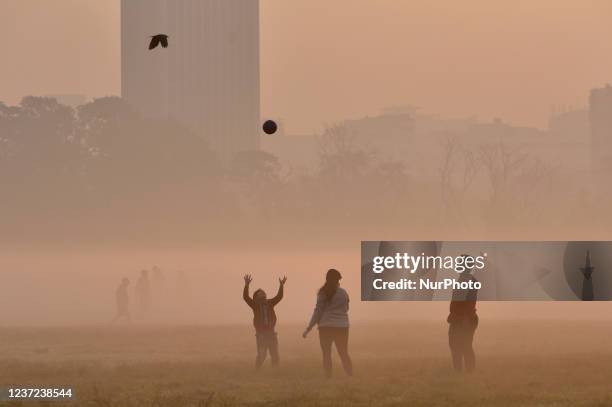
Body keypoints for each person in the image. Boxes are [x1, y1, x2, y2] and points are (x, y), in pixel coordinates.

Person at [303, 269, 353, 378]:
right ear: (338, 279)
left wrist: (309, 328)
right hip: (342, 326)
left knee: (326, 354)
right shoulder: (344, 293)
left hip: (326, 327)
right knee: (343, 352)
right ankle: (350, 376)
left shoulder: (322, 292)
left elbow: (318, 311)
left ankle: (328, 377)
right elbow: (346, 308)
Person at [243, 274, 287, 369]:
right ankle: (256, 371)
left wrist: (281, 285)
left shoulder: (270, 302)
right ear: (256, 297)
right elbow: (246, 297)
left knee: (275, 355)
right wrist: (246, 285)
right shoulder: (254, 304)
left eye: (263, 292)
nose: (263, 293)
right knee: (262, 355)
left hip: (271, 332)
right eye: (260, 293)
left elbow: (279, 296)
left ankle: (275, 372)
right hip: (261, 334)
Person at [447, 255, 480, 373]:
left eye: (459, 263)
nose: (457, 265)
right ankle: (461, 373)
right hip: (460, 318)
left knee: (463, 346)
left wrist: (464, 318)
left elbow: (469, 303)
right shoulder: (465, 279)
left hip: (464, 319)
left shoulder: (468, 281)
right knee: (458, 345)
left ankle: (466, 373)